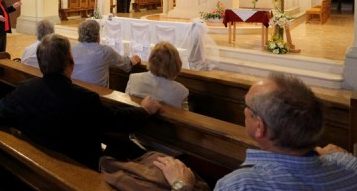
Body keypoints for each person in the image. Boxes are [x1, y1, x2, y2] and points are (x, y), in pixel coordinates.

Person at [153, 72, 357, 190]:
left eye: (246, 105)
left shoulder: (241, 185)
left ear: (260, 126)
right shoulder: (349, 165)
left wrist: (182, 185)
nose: (244, 109)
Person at [0, 33, 161, 170]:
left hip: (41, 155)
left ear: (40, 63)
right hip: (80, 167)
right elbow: (116, 120)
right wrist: (144, 111)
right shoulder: (84, 98)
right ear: (71, 62)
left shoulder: (25, 88)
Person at [71, 20, 140, 87]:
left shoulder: (72, 49)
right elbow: (126, 65)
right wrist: (132, 60)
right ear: (97, 35)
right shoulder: (105, 51)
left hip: (74, 90)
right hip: (96, 93)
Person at [126, 42, 189, 109]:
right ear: (176, 64)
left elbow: (126, 103)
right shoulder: (181, 91)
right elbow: (184, 114)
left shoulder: (133, 78)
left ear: (151, 59)